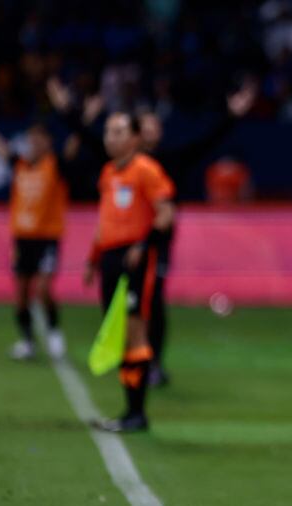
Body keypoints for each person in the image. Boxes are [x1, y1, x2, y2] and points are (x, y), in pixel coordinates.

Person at [49, 78, 257, 386]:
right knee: (120, 309)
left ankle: (151, 363)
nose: (148, 131)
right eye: (143, 126)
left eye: (153, 126)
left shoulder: (163, 164)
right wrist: (67, 110)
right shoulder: (115, 167)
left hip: (152, 244)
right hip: (119, 246)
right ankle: (132, 364)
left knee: (151, 303)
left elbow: (206, 144)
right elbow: (88, 139)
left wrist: (233, 115)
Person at [86, 112, 175, 432]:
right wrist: (92, 257)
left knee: (136, 331)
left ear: (136, 138)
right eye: (108, 132)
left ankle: (137, 412)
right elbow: (104, 219)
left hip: (136, 258)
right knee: (121, 334)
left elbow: (166, 213)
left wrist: (142, 245)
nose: (111, 138)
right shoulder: (108, 173)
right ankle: (129, 410)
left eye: (119, 132)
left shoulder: (147, 171)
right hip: (111, 256)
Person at [0, 107, 70, 360]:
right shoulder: (20, 164)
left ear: (48, 141)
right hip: (22, 238)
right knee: (22, 294)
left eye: (40, 138)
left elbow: (77, 141)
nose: (34, 142)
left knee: (45, 288)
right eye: (31, 137)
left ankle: (53, 331)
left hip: (47, 237)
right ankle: (27, 341)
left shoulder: (55, 166)